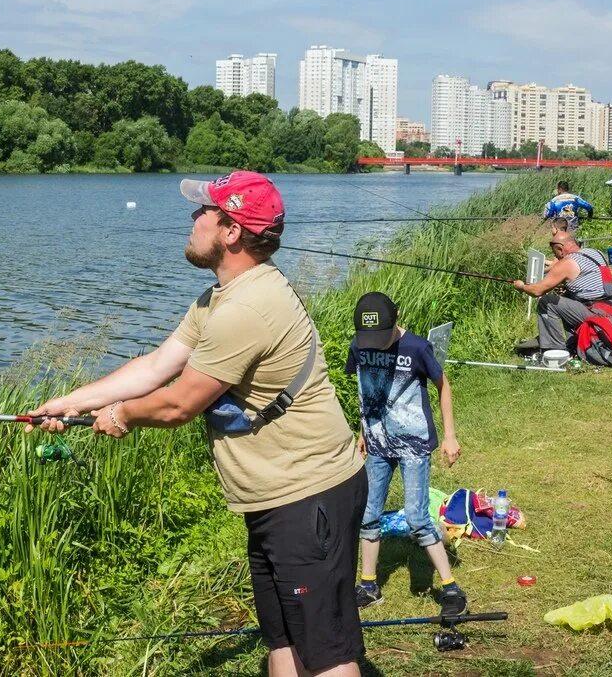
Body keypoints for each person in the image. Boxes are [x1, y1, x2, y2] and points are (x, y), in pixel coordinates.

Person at [29, 170, 367, 677]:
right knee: (282, 639)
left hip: (308, 493)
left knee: (326, 654)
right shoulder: (219, 298)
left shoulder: (248, 308)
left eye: (204, 211)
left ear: (231, 231)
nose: (193, 219)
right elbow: (156, 366)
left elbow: (177, 404)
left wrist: (121, 415)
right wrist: (68, 403)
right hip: (275, 496)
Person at [345, 292, 466, 617]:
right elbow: (365, 390)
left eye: (381, 336)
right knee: (368, 514)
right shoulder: (360, 345)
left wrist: (450, 436)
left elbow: (444, 385)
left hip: (413, 444)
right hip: (377, 444)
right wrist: (362, 430)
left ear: (396, 319)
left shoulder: (415, 348)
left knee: (415, 518)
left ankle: (451, 588)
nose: (375, 343)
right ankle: (368, 586)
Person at [511, 231, 612, 357]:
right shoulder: (594, 252)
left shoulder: (568, 262)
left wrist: (522, 286)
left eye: (555, 253)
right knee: (566, 297)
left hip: (597, 314)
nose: (556, 257)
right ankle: (574, 344)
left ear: (560, 249)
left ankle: (554, 351)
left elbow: (537, 291)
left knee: (547, 302)